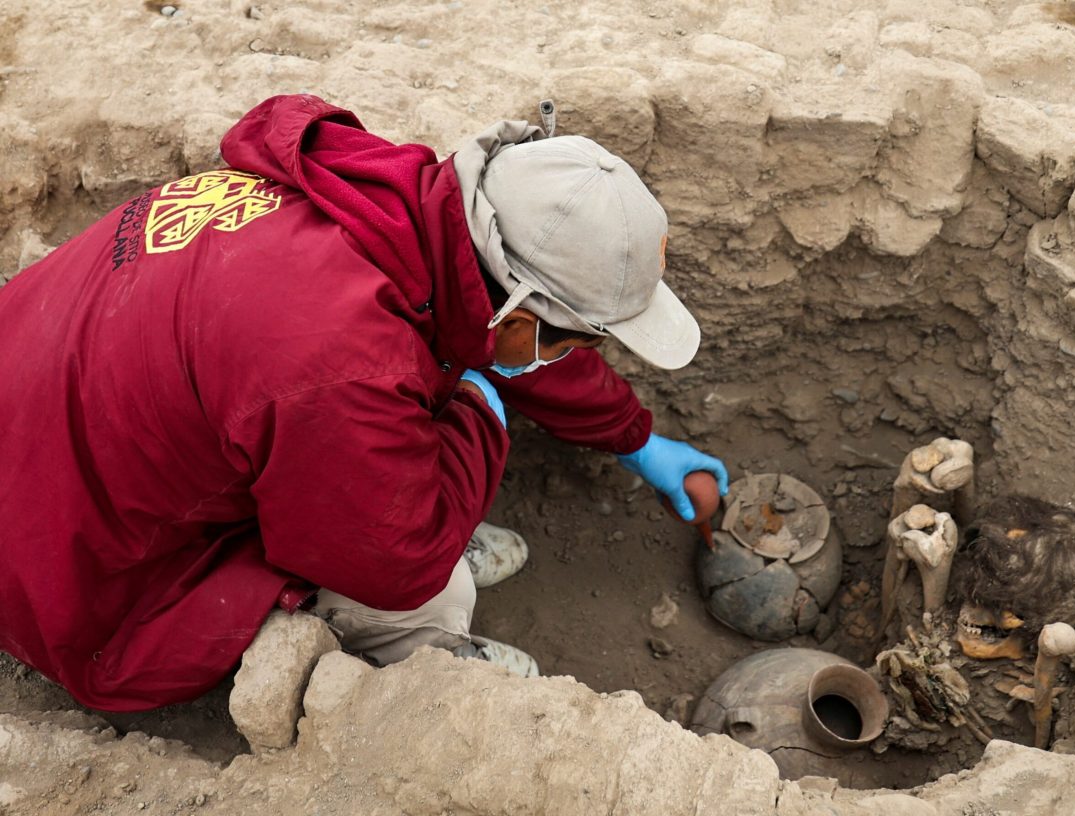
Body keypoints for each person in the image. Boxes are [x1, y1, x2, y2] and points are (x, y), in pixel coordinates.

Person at [0, 94, 728, 711]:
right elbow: (393, 564)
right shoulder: (344, 365)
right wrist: (479, 411)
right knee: (428, 580)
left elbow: (490, 334)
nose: (569, 359)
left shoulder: (382, 196)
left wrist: (636, 438)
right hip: (67, 576)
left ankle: (419, 504)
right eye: (576, 343)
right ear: (516, 312)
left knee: (417, 413)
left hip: (49, 404)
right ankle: (415, 654)